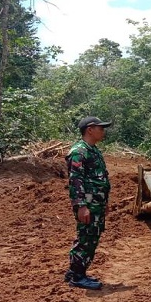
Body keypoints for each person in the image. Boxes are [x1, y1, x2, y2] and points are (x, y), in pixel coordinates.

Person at [64, 116, 112, 290]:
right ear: (90, 130)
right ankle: (77, 276)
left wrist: (104, 202)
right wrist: (81, 206)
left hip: (96, 203)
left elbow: (100, 179)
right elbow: (75, 181)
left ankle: (74, 272)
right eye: (100, 128)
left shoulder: (93, 150)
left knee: (91, 237)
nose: (103, 131)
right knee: (86, 238)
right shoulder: (79, 151)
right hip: (88, 204)